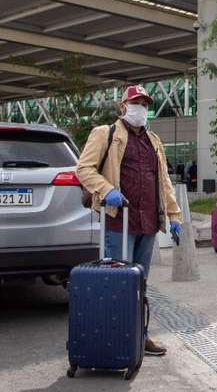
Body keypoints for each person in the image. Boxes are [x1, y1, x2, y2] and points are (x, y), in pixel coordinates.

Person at [76, 84, 183, 357]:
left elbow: (165, 182)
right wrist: (106, 190)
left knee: (140, 284)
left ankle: (139, 336)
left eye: (145, 104)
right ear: (123, 106)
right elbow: (83, 169)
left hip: (147, 224)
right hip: (119, 223)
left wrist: (173, 215)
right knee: (117, 283)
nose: (141, 108)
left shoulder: (154, 141)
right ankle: (114, 339)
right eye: (136, 102)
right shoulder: (106, 134)